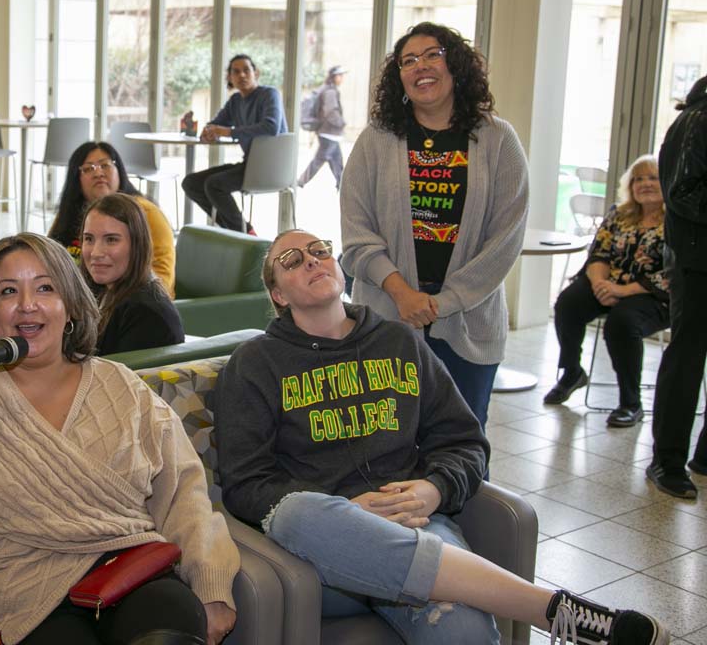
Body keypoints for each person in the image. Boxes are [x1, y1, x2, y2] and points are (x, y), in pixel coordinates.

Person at [215, 229, 669, 645]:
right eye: (293, 260)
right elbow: (245, 483)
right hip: (322, 556)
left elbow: (465, 442)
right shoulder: (255, 364)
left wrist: (434, 489)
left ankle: (557, 613)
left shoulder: (400, 342)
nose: (313, 261)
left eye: (319, 251)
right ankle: (550, 611)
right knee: (296, 513)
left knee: (465, 634)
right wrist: (345, 513)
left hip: (419, 526)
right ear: (277, 294)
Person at [0, 233, 239, 645]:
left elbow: (185, 498)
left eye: (45, 288)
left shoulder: (125, 388)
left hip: (129, 570)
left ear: (69, 307)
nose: (27, 304)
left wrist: (212, 586)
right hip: (11, 593)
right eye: (9, 291)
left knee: (170, 630)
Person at [340, 22, 528, 428]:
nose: (420, 66)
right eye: (408, 60)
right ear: (399, 77)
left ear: (455, 65)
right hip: (388, 317)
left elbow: (505, 238)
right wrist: (403, 294)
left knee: (461, 442)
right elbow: (356, 234)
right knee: (388, 441)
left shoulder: (498, 139)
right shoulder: (375, 141)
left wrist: (443, 303)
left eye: (432, 55)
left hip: (468, 323)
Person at [543, 155, 668, 428]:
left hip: (653, 295)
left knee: (622, 323)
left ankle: (630, 403)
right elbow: (598, 253)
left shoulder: (676, 221)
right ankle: (572, 372)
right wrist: (601, 285)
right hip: (608, 284)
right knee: (568, 303)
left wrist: (622, 291)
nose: (645, 184)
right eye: (638, 179)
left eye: (653, 178)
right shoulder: (619, 214)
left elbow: (669, 273)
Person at [647, 75, 707, 500]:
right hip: (697, 262)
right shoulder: (697, 120)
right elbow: (683, 193)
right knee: (687, 360)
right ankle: (666, 461)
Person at [48, 141, 176, 296]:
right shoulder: (70, 213)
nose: (98, 173)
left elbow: (163, 276)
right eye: (88, 169)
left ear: (119, 170)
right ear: (76, 180)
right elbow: (50, 261)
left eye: (105, 165)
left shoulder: (146, 212)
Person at [182, 54, 287, 234]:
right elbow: (216, 123)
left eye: (247, 70)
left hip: (271, 167)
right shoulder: (236, 101)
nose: (242, 75)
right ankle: (239, 231)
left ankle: (244, 233)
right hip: (249, 165)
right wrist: (208, 132)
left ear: (256, 73)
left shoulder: (269, 94)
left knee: (214, 185)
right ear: (230, 78)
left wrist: (229, 132)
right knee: (191, 183)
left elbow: (271, 127)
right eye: (236, 72)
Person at [80, 193, 184, 355]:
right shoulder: (103, 290)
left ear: (137, 245)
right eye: (89, 239)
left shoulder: (146, 314)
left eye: (111, 240)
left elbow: (117, 378)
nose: (95, 252)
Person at [296, 65, 347, 190]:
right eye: (340, 76)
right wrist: (341, 123)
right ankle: (300, 181)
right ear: (334, 77)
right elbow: (330, 111)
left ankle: (343, 184)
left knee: (336, 160)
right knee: (320, 160)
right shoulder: (330, 92)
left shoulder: (329, 89)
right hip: (329, 132)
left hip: (330, 133)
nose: (342, 78)